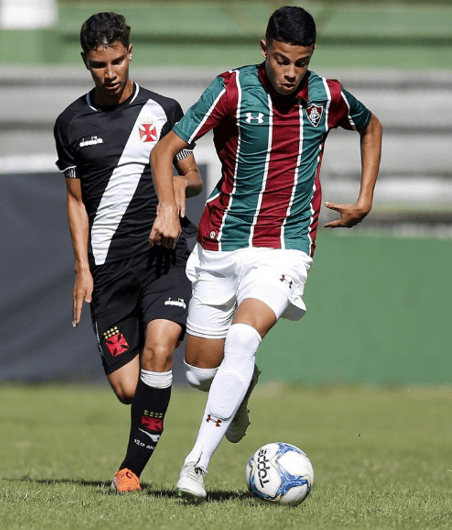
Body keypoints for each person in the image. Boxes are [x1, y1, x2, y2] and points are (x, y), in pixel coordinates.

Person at [149, 5, 383, 501]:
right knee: (199, 373)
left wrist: (365, 198)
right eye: (282, 61)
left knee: (243, 339)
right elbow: (165, 150)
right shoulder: (231, 89)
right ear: (264, 50)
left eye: (301, 62)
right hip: (219, 245)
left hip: (284, 248)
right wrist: (169, 207)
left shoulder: (326, 95)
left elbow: (371, 125)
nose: (292, 72)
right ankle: (242, 389)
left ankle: (195, 465)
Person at [53, 12, 202, 493]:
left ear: (130, 52)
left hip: (164, 256)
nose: (111, 72)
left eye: (118, 60)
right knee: (129, 389)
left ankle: (129, 472)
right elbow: (77, 202)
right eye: (100, 64)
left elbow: (193, 176)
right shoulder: (71, 123)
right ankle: (156, 410)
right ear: (86, 62)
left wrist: (171, 199)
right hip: (110, 270)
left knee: (160, 350)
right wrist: (82, 269)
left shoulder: (163, 110)